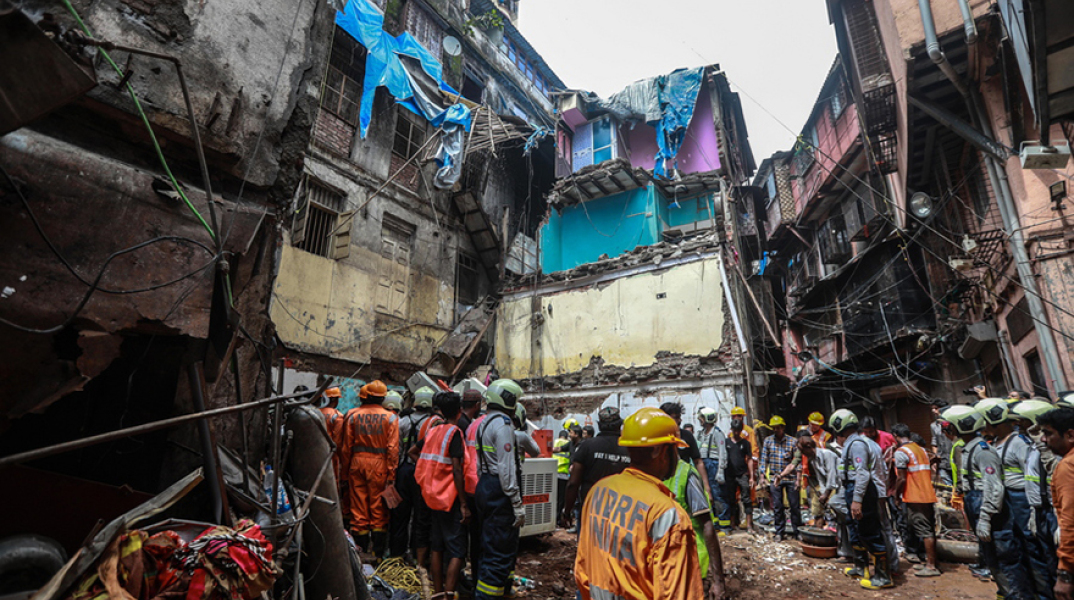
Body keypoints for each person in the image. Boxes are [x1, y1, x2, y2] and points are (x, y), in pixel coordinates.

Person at [574, 407, 705, 600]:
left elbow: (582, 569)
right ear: (658, 450)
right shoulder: (667, 515)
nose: (677, 457)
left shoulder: (598, 491)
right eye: (674, 449)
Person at [978, 397, 1049, 599]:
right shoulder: (995, 443)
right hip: (1008, 500)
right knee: (1017, 548)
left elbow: (1032, 474)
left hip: (1022, 500)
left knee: (1032, 549)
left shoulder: (1019, 443)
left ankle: (1044, 593)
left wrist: (1033, 508)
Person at [942, 403, 1005, 599]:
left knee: (997, 551)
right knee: (988, 550)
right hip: (973, 498)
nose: (947, 430)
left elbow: (993, 486)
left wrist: (985, 517)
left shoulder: (982, 451)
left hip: (981, 500)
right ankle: (1003, 591)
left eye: (949, 426)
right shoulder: (967, 449)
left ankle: (1009, 591)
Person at [413, 391, 471, 600]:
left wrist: (428, 473)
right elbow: (456, 469)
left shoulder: (433, 431)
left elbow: (413, 452)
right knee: (457, 551)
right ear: (459, 411)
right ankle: (448, 594)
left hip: (432, 497)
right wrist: (464, 503)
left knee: (436, 547)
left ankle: (437, 594)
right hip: (450, 498)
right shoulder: (454, 433)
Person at [473, 379, 525, 600]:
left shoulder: (483, 423)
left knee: (489, 544)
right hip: (499, 490)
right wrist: (516, 502)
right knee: (499, 549)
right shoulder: (503, 424)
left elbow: (479, 463)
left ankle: (496, 591)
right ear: (508, 400)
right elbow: (507, 468)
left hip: (485, 485)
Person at [829, 409, 892, 590]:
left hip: (861, 490)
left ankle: (883, 576)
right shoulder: (853, 443)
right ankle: (861, 567)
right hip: (851, 488)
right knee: (854, 528)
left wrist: (857, 500)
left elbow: (862, 473)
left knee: (869, 530)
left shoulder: (857, 444)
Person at [340, 380, 399, 560]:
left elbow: (346, 448)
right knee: (378, 511)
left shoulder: (352, 415)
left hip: (356, 464)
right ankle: (377, 555)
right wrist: (391, 475)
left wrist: (344, 474)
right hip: (380, 465)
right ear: (383, 398)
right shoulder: (390, 418)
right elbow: (393, 449)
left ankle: (361, 553)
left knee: (358, 510)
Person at [1012, 399, 1060, 598]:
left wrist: (1060, 519)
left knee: (1062, 565)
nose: (1019, 426)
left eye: (1023, 421)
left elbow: (1058, 480)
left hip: (1054, 512)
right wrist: (1034, 510)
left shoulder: (1055, 450)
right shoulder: (1032, 447)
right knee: (1048, 563)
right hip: (1041, 510)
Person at [665, 449, 726, 599]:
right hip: (664, 563)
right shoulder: (647, 476)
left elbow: (706, 525)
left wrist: (718, 581)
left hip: (689, 560)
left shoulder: (686, 475)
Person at [559, 406, 631, 529]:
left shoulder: (587, 446)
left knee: (587, 540)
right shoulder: (629, 448)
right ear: (620, 425)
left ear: (599, 425)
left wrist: (567, 511)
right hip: (621, 511)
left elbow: (573, 483)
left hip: (591, 508)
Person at [391, 386, 438, 563]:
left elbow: (397, 449)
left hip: (404, 470)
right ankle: (417, 557)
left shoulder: (402, 421)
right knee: (421, 516)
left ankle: (396, 554)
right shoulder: (433, 423)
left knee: (400, 516)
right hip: (422, 471)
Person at [890, 423, 940, 577]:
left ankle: (931, 566)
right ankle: (930, 561)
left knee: (924, 530)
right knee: (927, 528)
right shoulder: (921, 450)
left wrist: (896, 495)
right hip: (927, 494)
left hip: (915, 496)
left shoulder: (901, 452)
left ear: (895, 436)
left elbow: (901, 478)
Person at [1038, 406, 1074, 600]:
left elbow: (1070, 521)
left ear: (1070, 435)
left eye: (1048, 433)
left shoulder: (1068, 466)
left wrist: (1065, 573)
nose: (1043, 439)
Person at [660, 402, 713, 500]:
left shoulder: (686, 436)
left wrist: (707, 488)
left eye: (680, 417)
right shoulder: (657, 438)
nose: (680, 421)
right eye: (676, 417)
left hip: (685, 487)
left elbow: (698, 462)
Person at [759, 415, 800, 541]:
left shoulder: (792, 441)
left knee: (794, 506)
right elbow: (764, 459)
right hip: (774, 478)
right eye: (774, 428)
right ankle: (779, 532)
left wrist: (798, 479)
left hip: (790, 478)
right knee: (777, 506)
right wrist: (762, 476)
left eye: (778, 428)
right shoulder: (768, 441)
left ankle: (797, 531)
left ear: (783, 428)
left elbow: (797, 462)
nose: (776, 430)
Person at [795, 430, 838, 530]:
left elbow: (831, 477)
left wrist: (826, 494)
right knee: (817, 511)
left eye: (802, 451)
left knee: (834, 510)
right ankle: (819, 531)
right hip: (820, 485)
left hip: (836, 486)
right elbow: (820, 479)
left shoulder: (826, 454)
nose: (802, 454)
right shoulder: (812, 459)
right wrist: (823, 493)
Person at [695, 407, 729, 532]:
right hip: (704, 465)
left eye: (701, 417)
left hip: (713, 465)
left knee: (718, 495)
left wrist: (720, 470)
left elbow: (722, 452)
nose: (700, 420)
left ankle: (724, 526)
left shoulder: (717, 433)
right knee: (709, 497)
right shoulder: (702, 433)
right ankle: (715, 524)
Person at [723, 417, 755, 532]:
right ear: (731, 429)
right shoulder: (726, 443)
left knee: (746, 499)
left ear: (741, 430)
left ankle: (749, 525)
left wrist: (751, 477)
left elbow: (749, 459)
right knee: (731, 499)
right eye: (734, 430)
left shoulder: (745, 443)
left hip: (742, 474)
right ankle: (732, 524)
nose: (736, 432)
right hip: (729, 475)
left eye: (738, 430)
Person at [929, 401, 954, 487]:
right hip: (942, 460)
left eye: (936, 408)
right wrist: (935, 457)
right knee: (948, 485)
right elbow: (934, 442)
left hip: (954, 459)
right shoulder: (933, 425)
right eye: (932, 409)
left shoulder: (952, 422)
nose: (933, 411)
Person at [554, 430, 572, 518]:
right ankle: (558, 517)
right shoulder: (569, 443)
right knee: (561, 498)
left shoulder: (554, 442)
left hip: (554, 472)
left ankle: (552, 516)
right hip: (564, 474)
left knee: (553, 496)